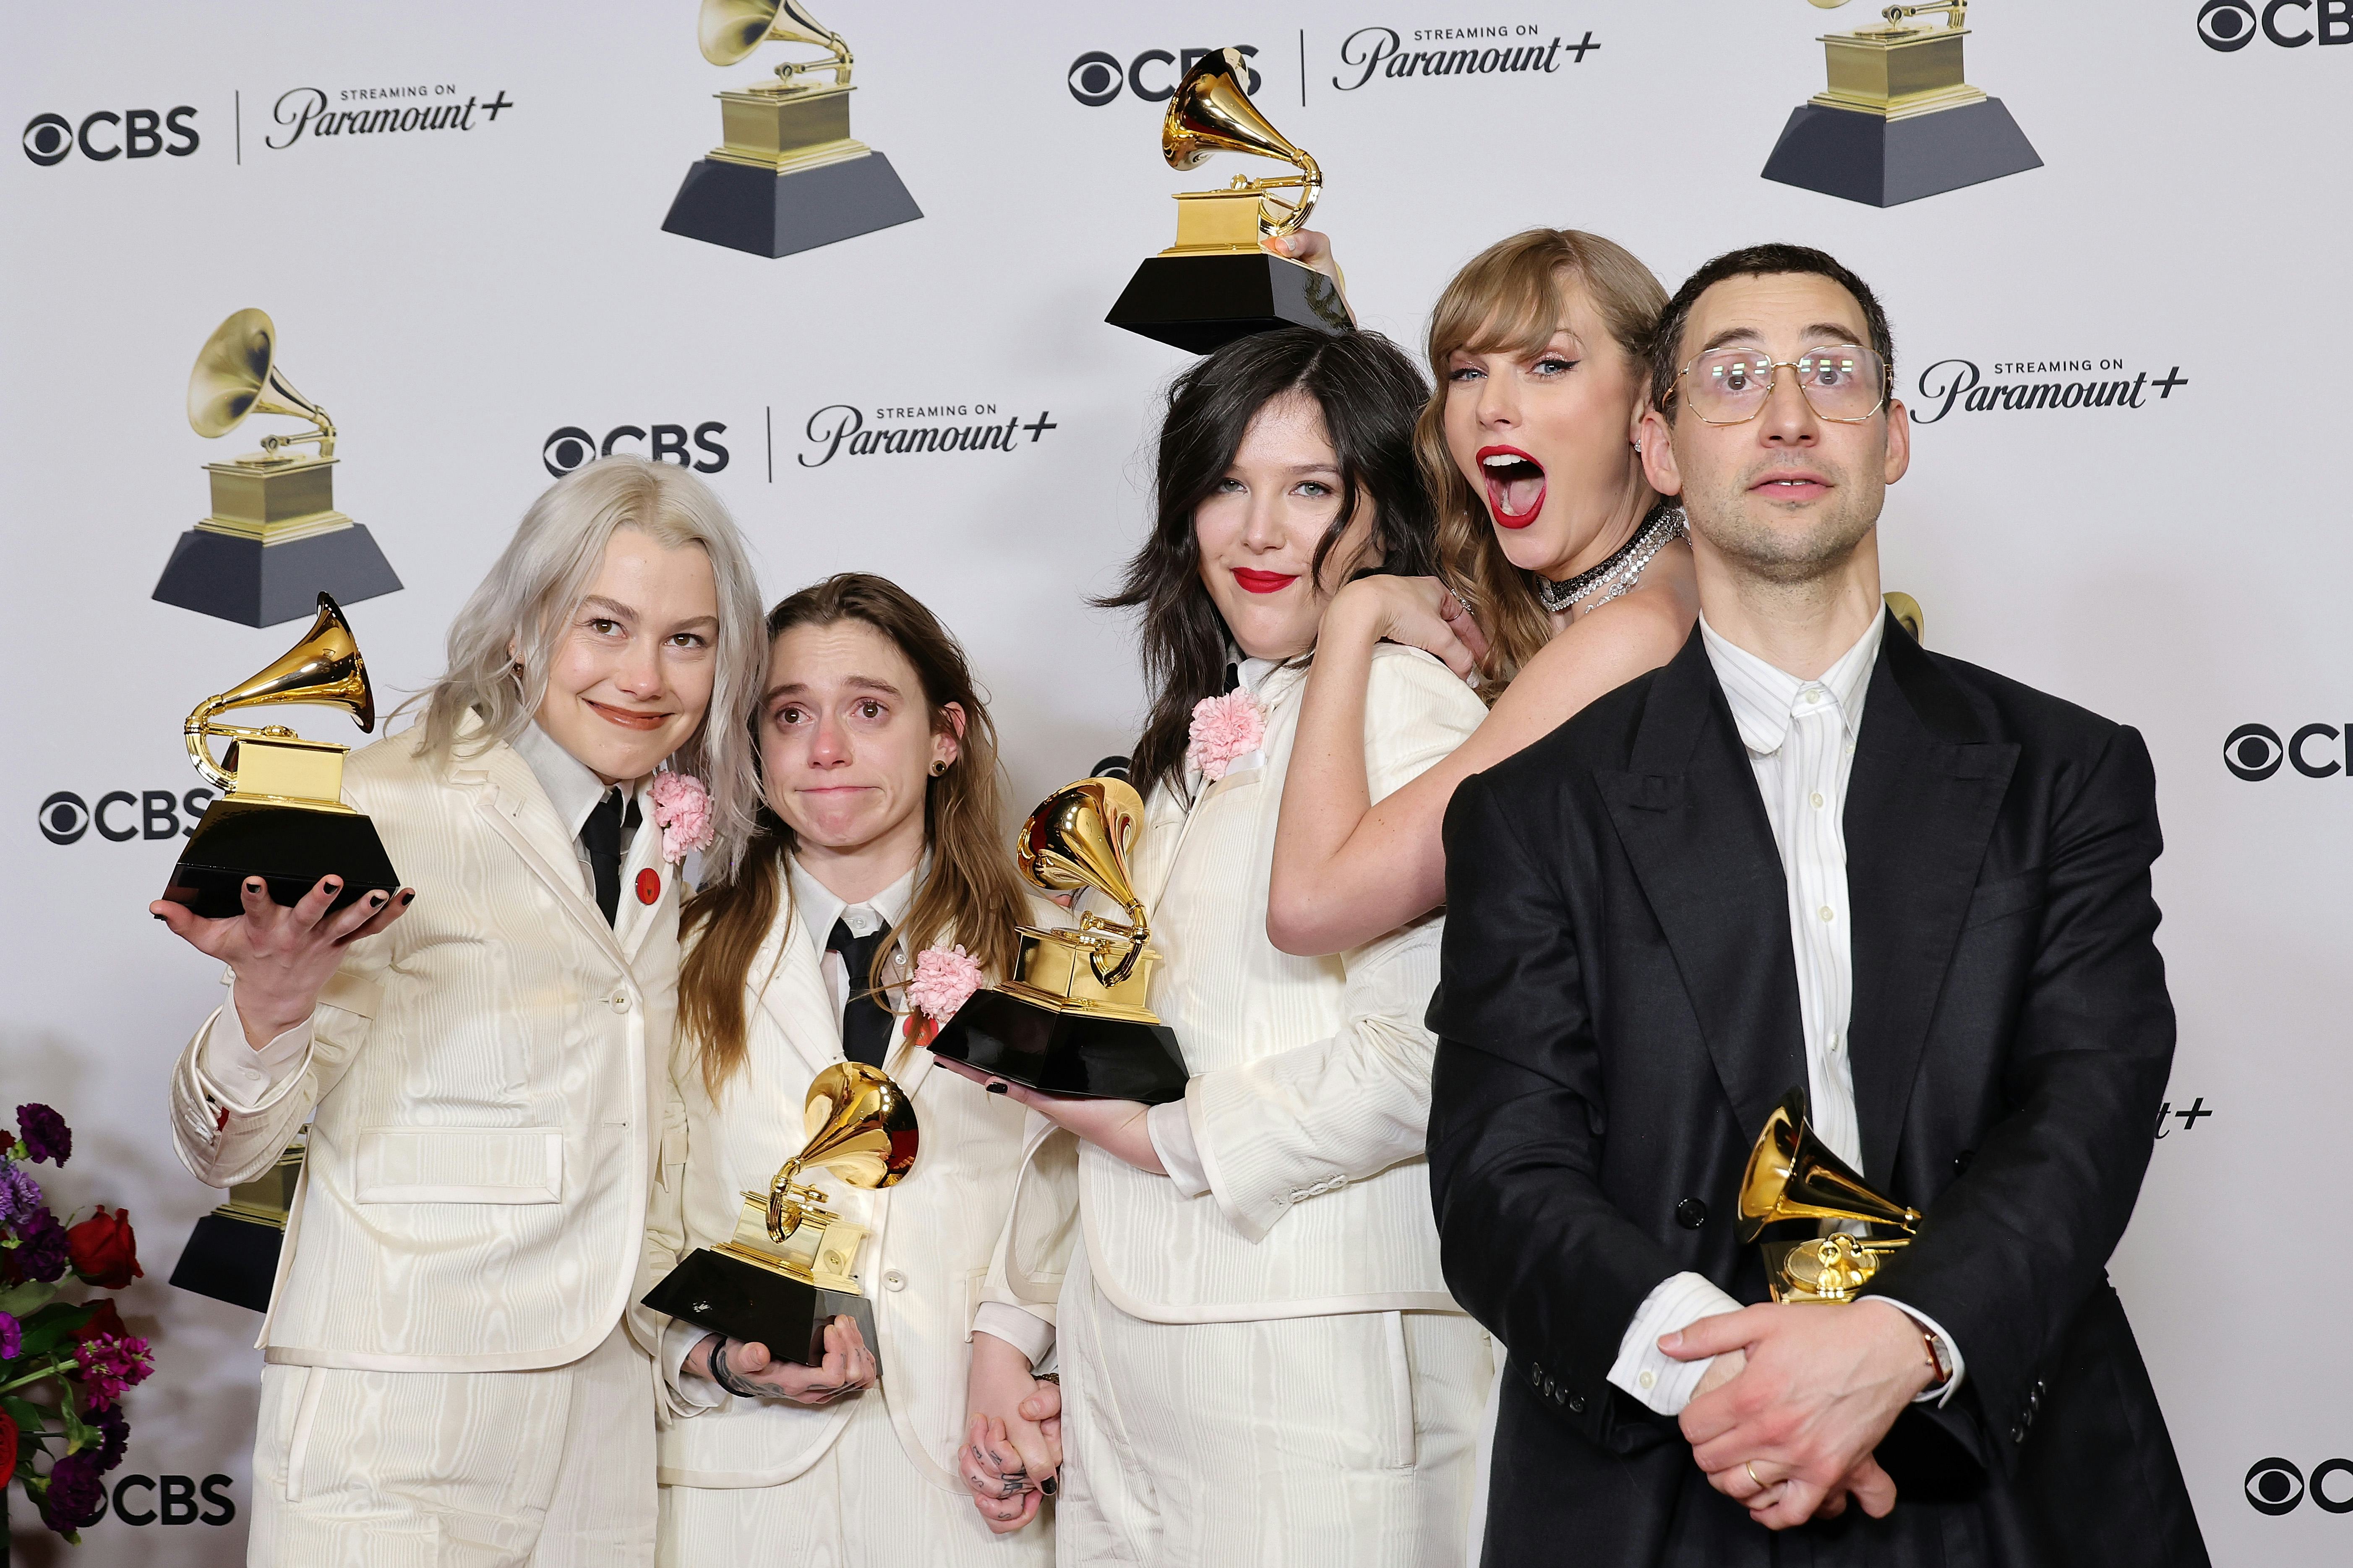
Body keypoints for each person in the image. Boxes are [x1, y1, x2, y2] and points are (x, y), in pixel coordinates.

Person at [1426, 244, 2208, 1565]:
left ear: (1892, 437)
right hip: (1663, 1472)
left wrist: (1901, 1341)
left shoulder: (2069, 770)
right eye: (1733, 378)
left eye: (1829, 373)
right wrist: (1728, 1379)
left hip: (2001, 1463)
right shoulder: (1531, 808)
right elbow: (1499, 1177)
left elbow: (2091, 1103)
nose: (1787, 413)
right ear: (1660, 446)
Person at [155, 457, 766, 1566]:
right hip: (401, 1423)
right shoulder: (382, 804)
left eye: (690, 638)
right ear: (527, 626)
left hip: (607, 1439)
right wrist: (271, 1005)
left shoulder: (675, 845)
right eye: (607, 625)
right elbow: (222, 1143)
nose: (646, 674)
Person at [952, 327, 1495, 1565]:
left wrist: (1176, 1137)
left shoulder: (1409, 707)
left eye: (1310, 489)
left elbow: (1431, 1054)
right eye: (1227, 485)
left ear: (1386, 512)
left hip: (1313, 1358)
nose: (1258, 532)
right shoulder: (1196, 744)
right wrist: (1014, 1323)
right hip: (1130, 1360)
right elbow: (1114, 1057)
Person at [645, 573, 1059, 1563]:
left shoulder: (1051, 955)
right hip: (733, 1504)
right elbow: (629, 1213)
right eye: (791, 715)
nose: (826, 750)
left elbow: (1085, 1190)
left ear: (944, 735)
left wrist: (1021, 1353)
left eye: (869, 710)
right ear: (753, 744)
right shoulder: (667, 957)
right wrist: (715, 1358)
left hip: (972, 1483)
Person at [1264, 229, 1698, 957]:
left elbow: (1310, 908)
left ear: (1645, 404)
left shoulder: (1633, 637)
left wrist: (1353, 617)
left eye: (1550, 365)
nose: (1492, 407)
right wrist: (1319, 318)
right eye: (1466, 373)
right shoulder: (1571, 592)